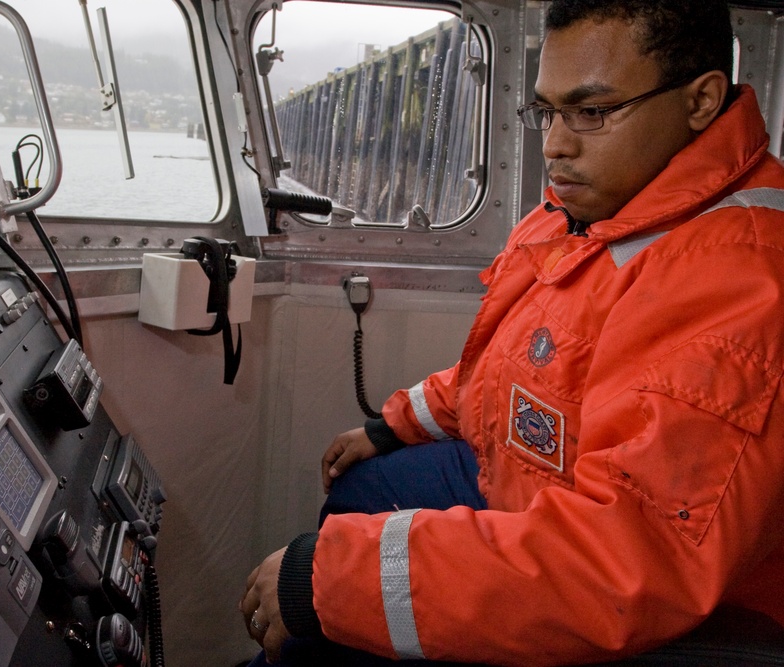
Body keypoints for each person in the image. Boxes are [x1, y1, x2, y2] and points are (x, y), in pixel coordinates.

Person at [240, 0, 784, 665]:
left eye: (592, 112)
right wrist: (396, 423)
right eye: (548, 110)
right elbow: (517, 366)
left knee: (320, 629)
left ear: (700, 100)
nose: (555, 143)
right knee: (359, 492)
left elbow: (629, 559)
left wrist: (325, 583)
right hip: (530, 481)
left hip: (628, 586)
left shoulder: (736, 280)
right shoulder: (593, 208)